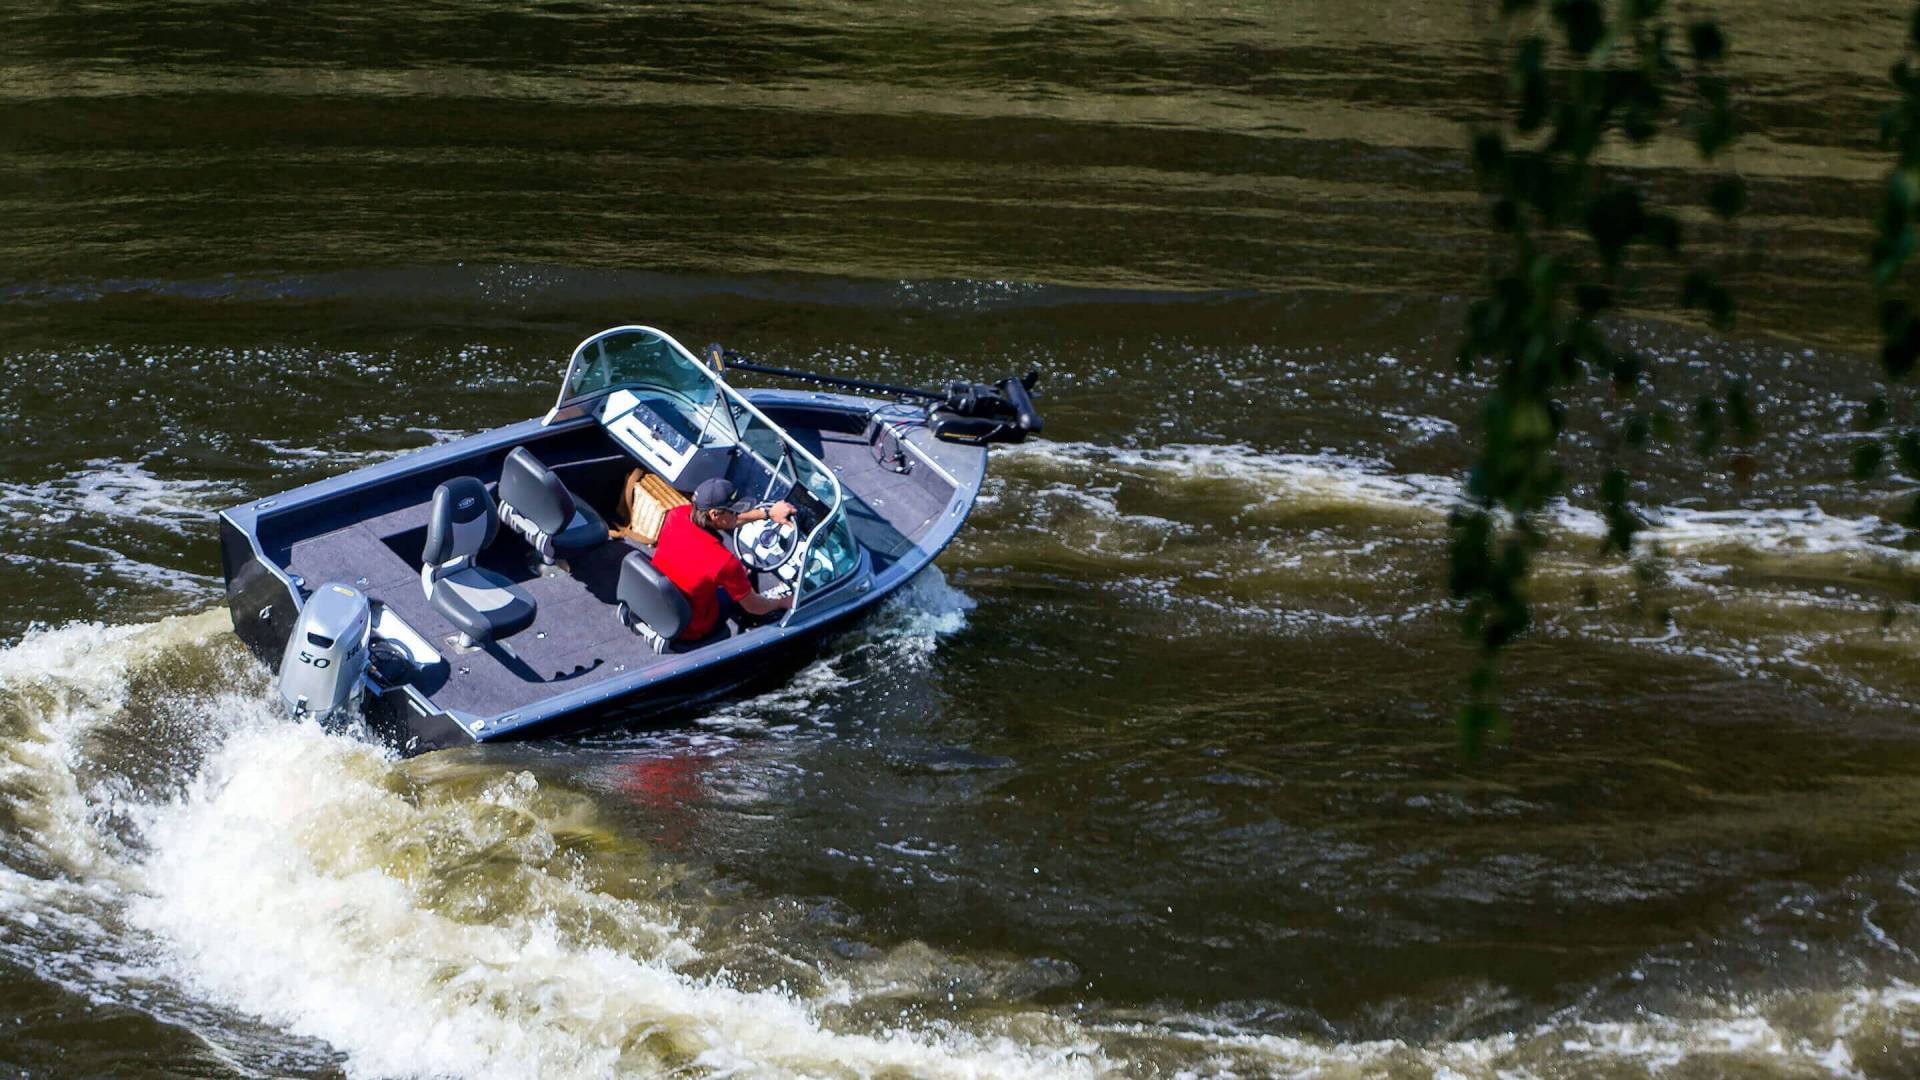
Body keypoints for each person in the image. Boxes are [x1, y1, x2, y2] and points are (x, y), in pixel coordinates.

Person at [649, 477, 795, 641]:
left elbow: (728, 521)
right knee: (748, 577)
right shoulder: (724, 562)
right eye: (733, 511)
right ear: (714, 514)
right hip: (692, 626)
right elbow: (755, 606)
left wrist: (767, 514)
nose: (737, 515)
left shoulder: (677, 514)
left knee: (738, 575)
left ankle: (749, 613)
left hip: (663, 603)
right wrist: (782, 602)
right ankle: (754, 624)